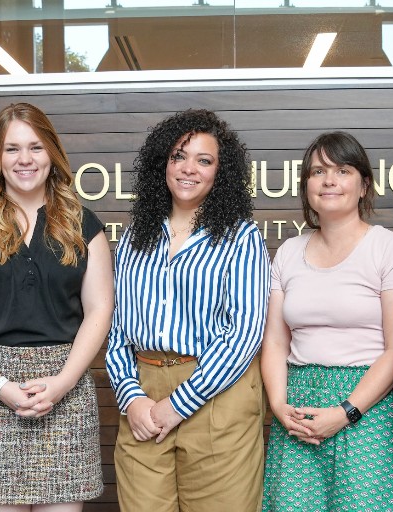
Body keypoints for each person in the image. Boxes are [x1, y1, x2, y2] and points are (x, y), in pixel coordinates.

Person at [0, 102, 112, 511]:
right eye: (12, 148)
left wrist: (63, 382)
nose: (25, 159)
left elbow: (100, 310)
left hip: (65, 391)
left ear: (52, 152)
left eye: (35, 147)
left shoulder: (84, 225)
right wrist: (1, 386)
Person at [106, 109, 270, 511]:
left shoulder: (241, 237)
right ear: (162, 163)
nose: (188, 168)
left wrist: (179, 404)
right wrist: (131, 397)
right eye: (178, 156)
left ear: (220, 172)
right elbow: (117, 330)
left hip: (218, 394)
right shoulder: (134, 237)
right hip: (143, 396)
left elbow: (244, 334)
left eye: (204, 160)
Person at [259, 131, 393, 511]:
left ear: (364, 186)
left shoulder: (390, 248)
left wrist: (347, 411)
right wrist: (279, 405)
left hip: (369, 410)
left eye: (342, 170)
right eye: (318, 172)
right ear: (306, 186)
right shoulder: (289, 252)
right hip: (297, 411)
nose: (329, 180)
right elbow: (275, 342)